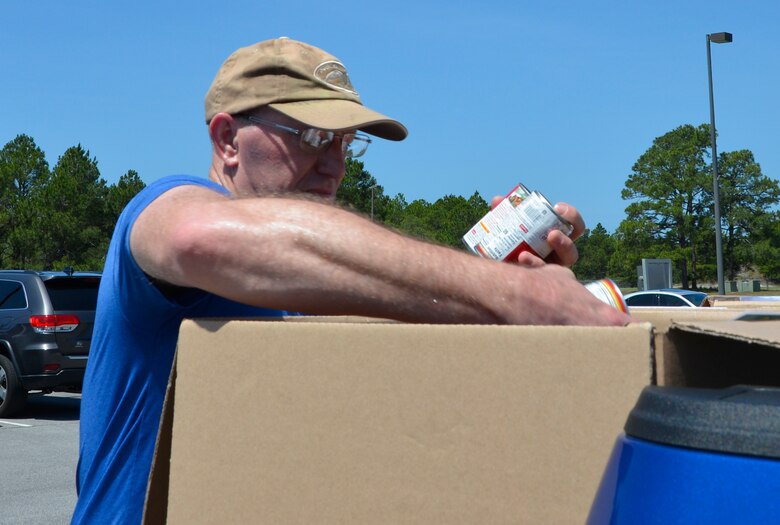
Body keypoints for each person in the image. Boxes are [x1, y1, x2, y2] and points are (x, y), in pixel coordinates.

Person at [71, 37, 631, 524]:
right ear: (227, 141)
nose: (337, 165)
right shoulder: (167, 208)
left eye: (346, 143)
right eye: (314, 137)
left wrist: (494, 283)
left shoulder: (293, 283)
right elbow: (196, 235)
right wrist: (514, 294)